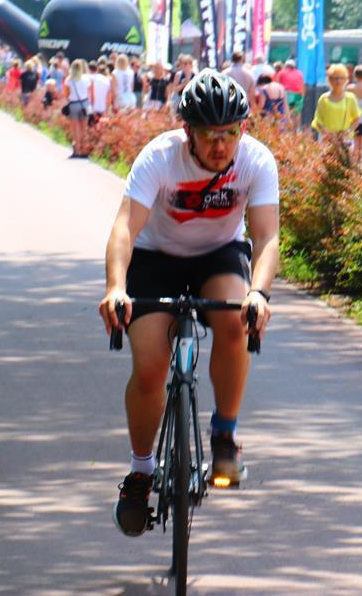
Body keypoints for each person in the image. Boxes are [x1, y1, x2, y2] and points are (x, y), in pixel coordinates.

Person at [98, 70, 280, 537]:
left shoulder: (256, 161)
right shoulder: (160, 157)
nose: (220, 145)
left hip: (218, 256)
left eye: (230, 133)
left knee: (236, 321)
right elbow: (125, 228)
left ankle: (224, 437)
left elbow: (266, 237)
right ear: (187, 131)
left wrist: (258, 293)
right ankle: (141, 472)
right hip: (155, 258)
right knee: (150, 368)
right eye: (208, 134)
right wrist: (116, 287)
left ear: (243, 129)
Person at [311, 64, 361, 141]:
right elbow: (318, 120)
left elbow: (356, 119)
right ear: (330, 80)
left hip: (344, 140)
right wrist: (326, 133)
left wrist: (348, 131)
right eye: (335, 78)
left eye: (341, 78)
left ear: (346, 80)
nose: (338, 81)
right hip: (326, 140)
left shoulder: (350, 98)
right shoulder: (324, 98)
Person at [63, 59, 91, 156]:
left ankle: (77, 150)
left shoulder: (69, 80)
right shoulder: (86, 78)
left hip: (74, 104)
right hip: (85, 104)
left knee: (76, 129)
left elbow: (66, 94)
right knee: (84, 129)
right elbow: (89, 92)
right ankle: (84, 150)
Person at [274, 59, 305, 126]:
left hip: (288, 94)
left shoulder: (281, 72)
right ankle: (296, 129)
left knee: (286, 111)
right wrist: (302, 96)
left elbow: (277, 85)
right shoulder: (299, 73)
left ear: (285, 66)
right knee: (297, 113)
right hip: (298, 95)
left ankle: (287, 128)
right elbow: (302, 85)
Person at [88, 61, 113, 126]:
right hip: (102, 109)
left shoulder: (87, 78)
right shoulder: (106, 79)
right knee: (101, 129)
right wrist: (107, 110)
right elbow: (109, 97)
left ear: (88, 69)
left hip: (90, 109)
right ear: (97, 69)